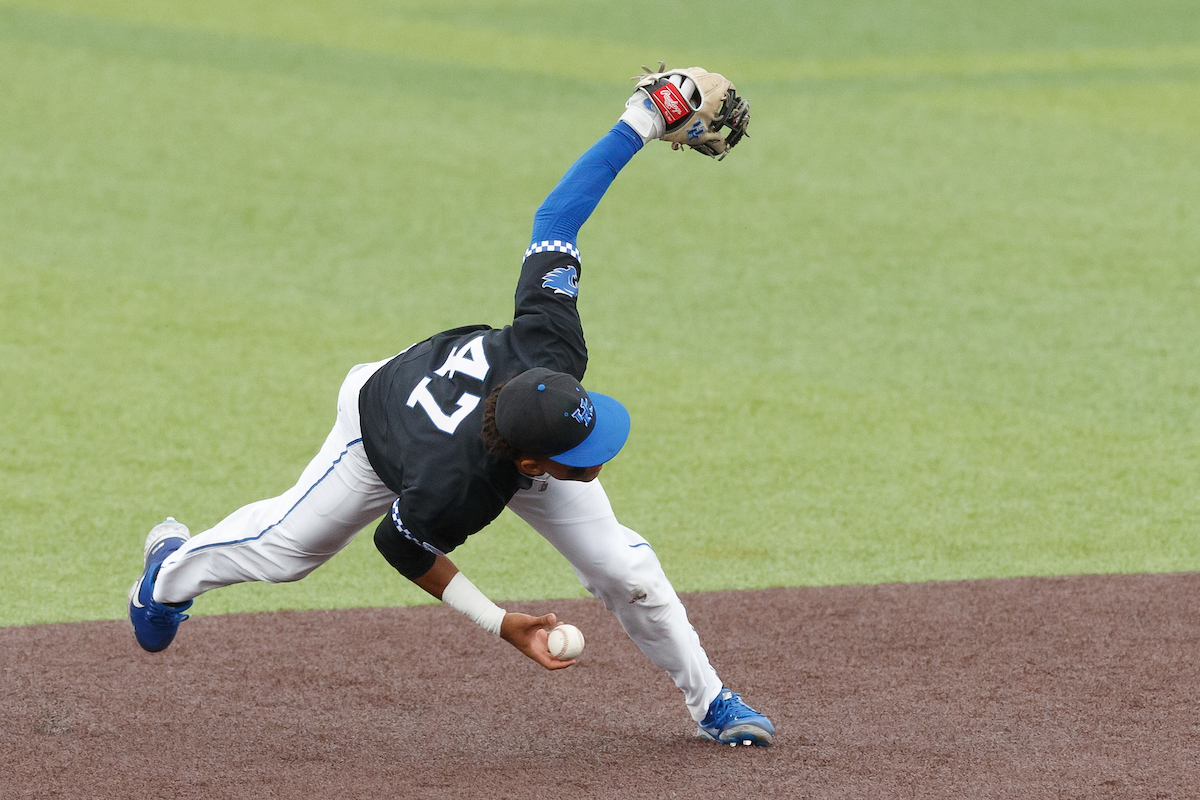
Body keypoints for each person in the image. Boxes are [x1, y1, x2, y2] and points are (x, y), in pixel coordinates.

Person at [128, 72, 774, 746]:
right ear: (531, 465)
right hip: (378, 430)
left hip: (477, 402)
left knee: (625, 569)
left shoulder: (550, 343)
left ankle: (713, 703)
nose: (601, 458)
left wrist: (639, 120)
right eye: (580, 457)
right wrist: (498, 621)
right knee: (288, 552)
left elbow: (556, 217)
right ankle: (165, 577)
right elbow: (400, 544)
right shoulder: (454, 483)